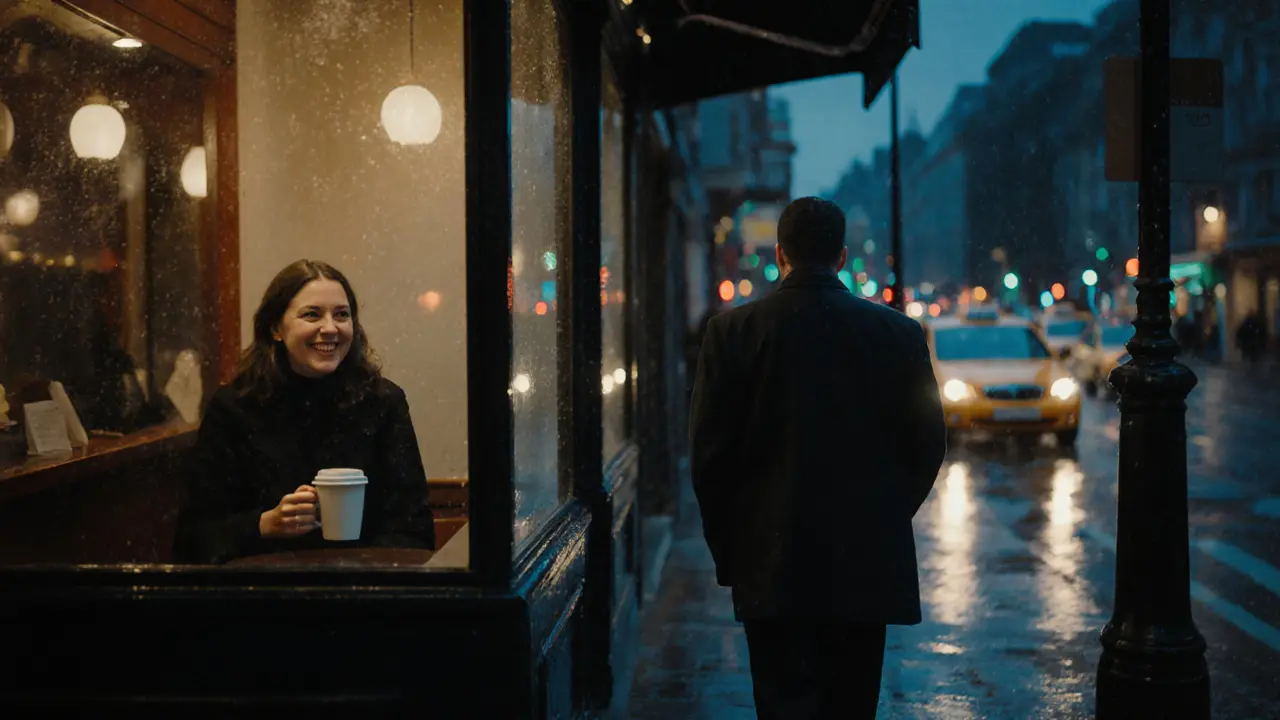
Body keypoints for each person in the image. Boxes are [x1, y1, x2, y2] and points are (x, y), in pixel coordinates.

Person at [689, 197, 946, 719]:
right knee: (851, 702)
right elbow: (927, 445)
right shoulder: (896, 334)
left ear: (780, 253)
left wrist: (734, 553)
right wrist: (885, 515)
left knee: (782, 703)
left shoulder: (732, 333)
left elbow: (709, 459)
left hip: (771, 562)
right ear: (843, 255)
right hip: (863, 564)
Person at [174, 260, 435, 564]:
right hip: (266, 594)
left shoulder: (383, 402)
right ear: (276, 328)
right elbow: (194, 539)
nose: (330, 328)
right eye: (312, 314)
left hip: (363, 592)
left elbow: (415, 530)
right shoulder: (234, 407)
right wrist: (265, 524)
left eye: (342, 315)